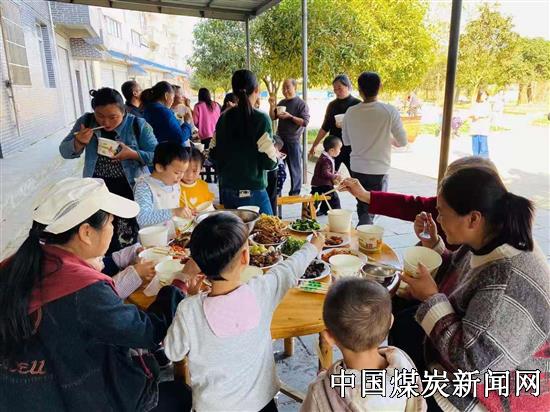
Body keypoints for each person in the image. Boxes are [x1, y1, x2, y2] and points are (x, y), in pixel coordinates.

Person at [0, 177, 187, 411]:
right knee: (181, 395)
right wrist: (180, 284)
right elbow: (147, 332)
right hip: (74, 396)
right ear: (86, 232)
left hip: (21, 395)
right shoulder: (85, 291)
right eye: (111, 222)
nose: (113, 229)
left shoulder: (16, 265)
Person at [391, 168, 550, 412]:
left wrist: (431, 298)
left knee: (397, 388)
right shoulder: (490, 235)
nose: (438, 219)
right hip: (471, 351)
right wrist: (433, 245)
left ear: (473, 219)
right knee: (400, 321)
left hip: (494, 391)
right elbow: (463, 276)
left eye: (442, 213)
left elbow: (473, 364)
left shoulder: (506, 280)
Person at [164, 213, 325, 411]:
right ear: (245, 257)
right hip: (262, 404)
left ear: (198, 264)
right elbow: (290, 268)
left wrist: (191, 298)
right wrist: (312, 247)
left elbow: (173, 352)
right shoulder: (262, 290)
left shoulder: (189, 310)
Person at [301, 278, 426, 412]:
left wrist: (324, 380)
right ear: (391, 321)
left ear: (329, 337)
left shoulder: (320, 393)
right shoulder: (403, 363)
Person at [59, 87, 157, 253]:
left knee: (127, 236)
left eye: (113, 117)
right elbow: (64, 151)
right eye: (100, 116)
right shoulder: (87, 122)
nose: (106, 122)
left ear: (123, 111)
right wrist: (78, 142)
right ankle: (104, 264)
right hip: (98, 190)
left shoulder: (138, 125)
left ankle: (129, 264)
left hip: (129, 189)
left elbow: (158, 156)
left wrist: (133, 154)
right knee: (100, 235)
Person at [339, 156, 498, 248]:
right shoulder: (453, 208)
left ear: (473, 218)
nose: (437, 218)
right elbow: (411, 205)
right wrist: (365, 195)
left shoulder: (490, 256)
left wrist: (430, 293)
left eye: (448, 187)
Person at [342, 72, 407, 225]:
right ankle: (364, 232)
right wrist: (389, 139)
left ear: (359, 90)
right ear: (380, 87)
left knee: (363, 205)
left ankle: (363, 230)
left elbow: (346, 141)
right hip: (379, 169)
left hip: (357, 167)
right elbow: (402, 141)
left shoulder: (350, 112)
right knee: (373, 206)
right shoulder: (389, 111)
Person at [210, 69, 278, 214]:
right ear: (256, 89)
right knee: (270, 227)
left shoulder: (223, 117)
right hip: (254, 192)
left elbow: (213, 154)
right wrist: (275, 154)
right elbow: (270, 163)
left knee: (235, 229)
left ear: (234, 90)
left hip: (227, 192)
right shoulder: (261, 119)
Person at [308, 74, 361, 173]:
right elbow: (325, 127)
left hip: (352, 149)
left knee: (356, 177)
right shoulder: (332, 105)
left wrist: (346, 126)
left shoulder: (357, 104)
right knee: (327, 176)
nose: (337, 91)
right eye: (335, 89)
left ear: (348, 87)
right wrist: (314, 145)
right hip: (333, 148)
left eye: (339, 88)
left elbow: (362, 128)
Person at [134, 142, 193, 228]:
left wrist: (184, 212)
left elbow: (174, 206)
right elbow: (142, 218)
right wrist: (174, 212)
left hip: (173, 233)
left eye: (183, 172)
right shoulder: (144, 186)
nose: (181, 176)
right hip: (154, 236)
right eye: (177, 172)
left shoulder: (173, 183)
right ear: (160, 167)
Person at [269, 79, 310, 196]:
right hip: (280, 141)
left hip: (293, 140)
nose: (285, 90)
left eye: (288, 87)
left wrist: (290, 117)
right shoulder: (282, 102)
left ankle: (295, 193)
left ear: (295, 88)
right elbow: (273, 117)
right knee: (278, 167)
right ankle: (277, 193)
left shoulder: (301, 104)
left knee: (295, 169)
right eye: (283, 88)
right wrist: (272, 105)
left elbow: (305, 122)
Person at [142, 81, 190, 147]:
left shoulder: (148, 108)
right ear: (166, 95)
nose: (172, 101)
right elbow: (180, 137)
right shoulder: (164, 112)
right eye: (173, 97)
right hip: (168, 150)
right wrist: (187, 122)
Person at [310, 135, 342, 215]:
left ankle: (320, 210)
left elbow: (328, 170)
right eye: (339, 149)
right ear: (332, 150)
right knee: (333, 198)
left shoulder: (326, 157)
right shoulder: (325, 160)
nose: (340, 151)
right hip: (323, 184)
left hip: (318, 184)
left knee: (320, 198)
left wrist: (335, 172)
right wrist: (335, 176)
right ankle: (338, 214)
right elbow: (325, 173)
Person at [469, 90, 491, 158]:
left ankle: (484, 160)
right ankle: (476, 159)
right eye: (482, 95)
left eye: (485, 95)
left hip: (483, 127)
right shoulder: (475, 104)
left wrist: (479, 116)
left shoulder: (487, 104)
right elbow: (470, 113)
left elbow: (487, 114)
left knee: (483, 146)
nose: (484, 96)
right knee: (475, 146)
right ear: (479, 95)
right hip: (475, 127)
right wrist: (473, 116)